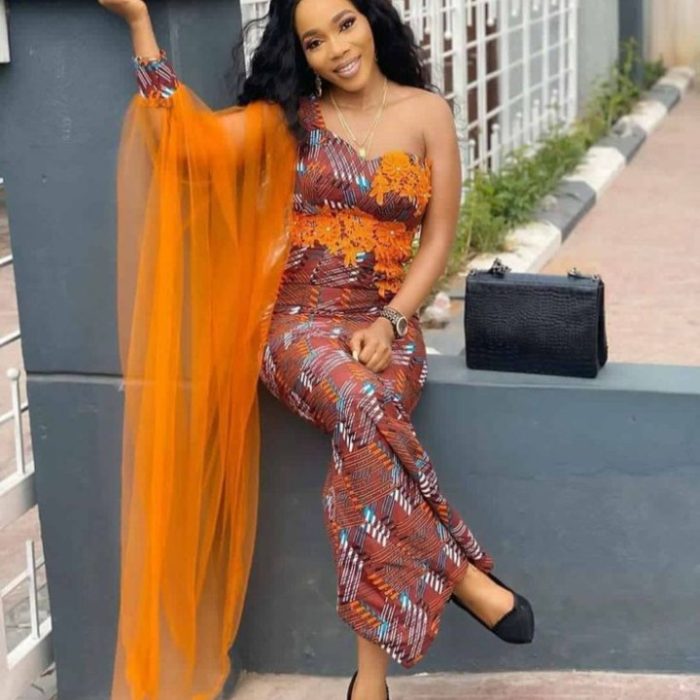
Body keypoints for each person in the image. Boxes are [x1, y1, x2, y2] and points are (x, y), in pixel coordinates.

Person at [100, 1, 535, 699]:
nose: (336, 47)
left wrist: (390, 321)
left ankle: (371, 684)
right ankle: (459, 573)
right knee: (362, 401)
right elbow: (187, 146)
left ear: (371, 20)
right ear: (300, 54)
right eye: (314, 41)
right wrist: (138, 24)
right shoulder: (288, 119)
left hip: (389, 325)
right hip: (296, 329)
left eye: (345, 24)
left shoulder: (428, 113)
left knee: (362, 443)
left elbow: (439, 238)